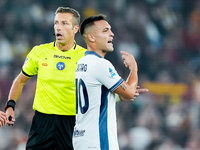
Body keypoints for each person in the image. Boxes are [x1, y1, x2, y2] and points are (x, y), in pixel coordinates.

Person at [5, 7, 86, 150]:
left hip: (71, 123)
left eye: (64, 23)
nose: (58, 27)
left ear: (75, 28)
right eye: (56, 23)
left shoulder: (86, 57)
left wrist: (123, 89)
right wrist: (11, 106)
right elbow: (20, 81)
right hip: (42, 123)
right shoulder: (39, 52)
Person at [72, 14, 148, 150]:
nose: (112, 34)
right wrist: (134, 68)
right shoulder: (100, 64)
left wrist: (122, 93)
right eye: (105, 30)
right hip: (98, 141)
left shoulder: (82, 63)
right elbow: (129, 94)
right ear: (91, 37)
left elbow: (98, 97)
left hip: (81, 139)